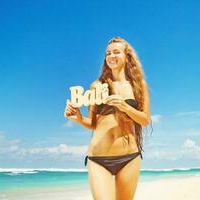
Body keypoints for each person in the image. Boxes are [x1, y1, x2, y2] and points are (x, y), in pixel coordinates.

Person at [64, 37, 151, 200]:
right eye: (108, 53)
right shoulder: (97, 85)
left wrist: (125, 106)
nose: (111, 56)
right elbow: (93, 124)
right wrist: (77, 117)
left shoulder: (139, 85)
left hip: (129, 157)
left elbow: (145, 120)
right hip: (98, 158)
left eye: (116, 52)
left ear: (127, 56)